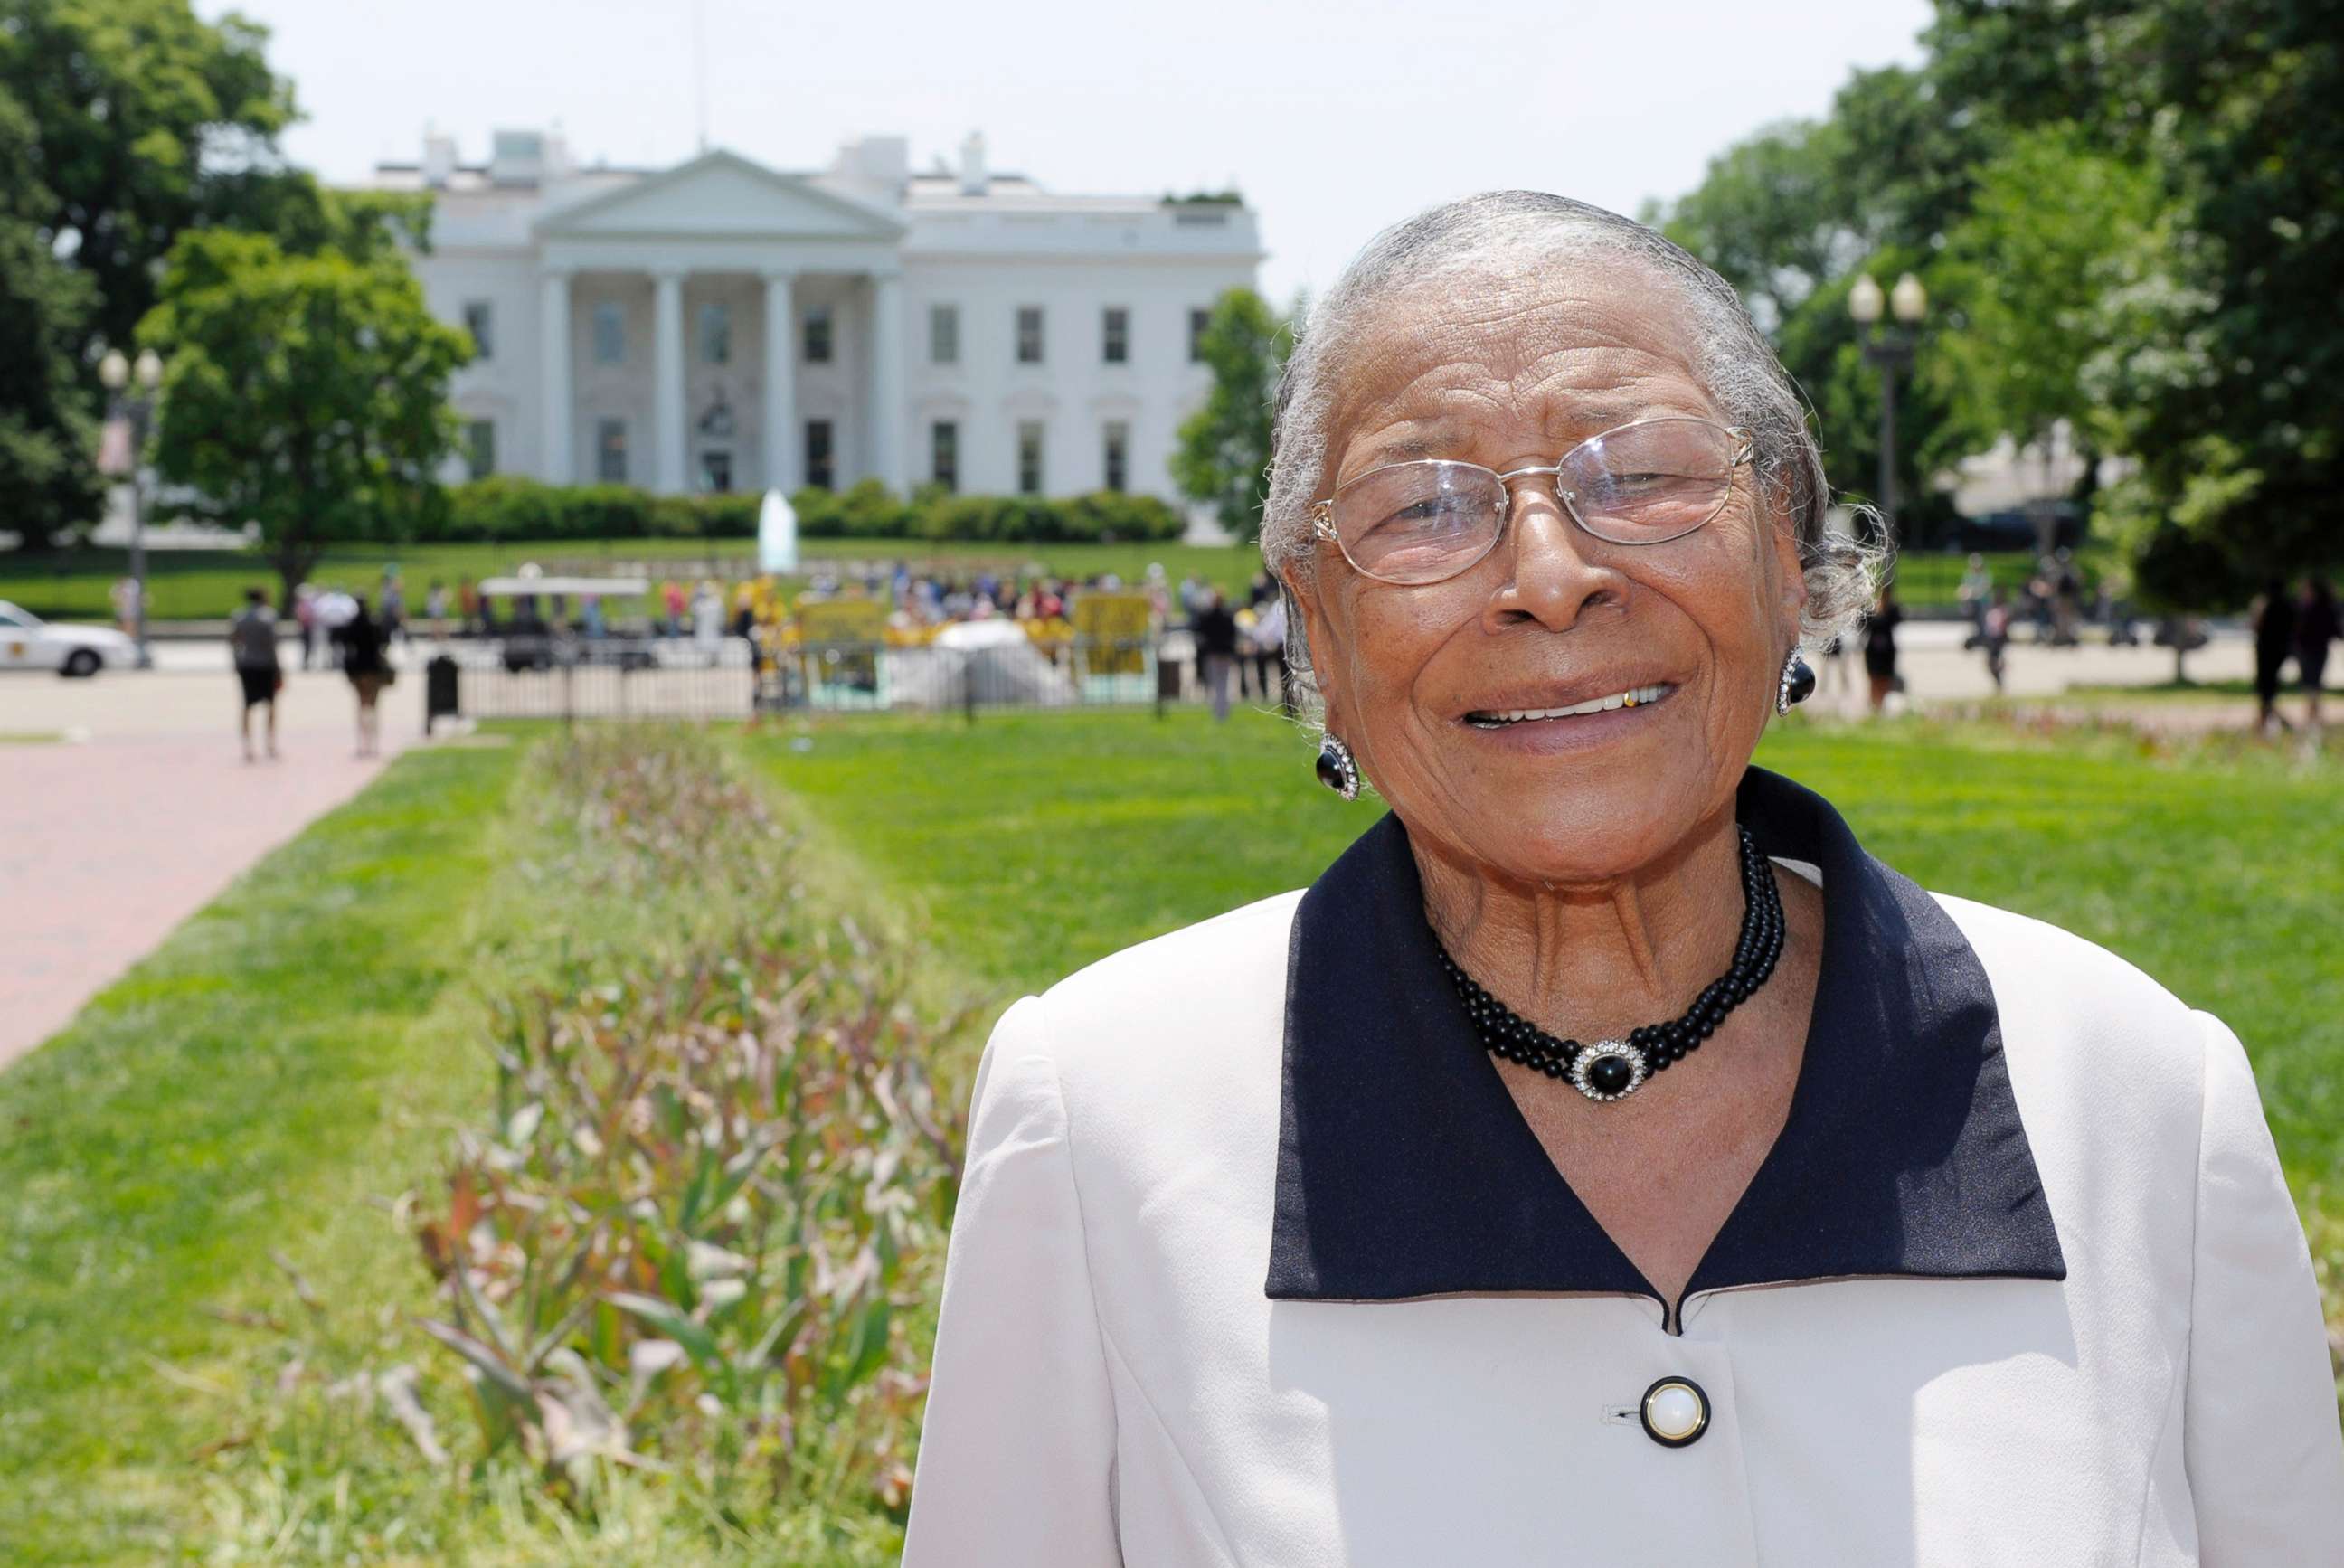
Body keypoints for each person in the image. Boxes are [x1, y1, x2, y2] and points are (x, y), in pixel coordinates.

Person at [902, 192, 2343, 1566]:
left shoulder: (2140, 1091)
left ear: (1788, 550)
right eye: (1422, 506)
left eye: (1641, 475)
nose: (1547, 570)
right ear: (1315, 631)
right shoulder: (1099, 1121)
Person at [228, 587, 281, 761]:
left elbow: (233, 641)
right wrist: (279, 668)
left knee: (247, 706)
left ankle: (247, 746)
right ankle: (270, 743)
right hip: (266, 664)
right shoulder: (269, 617)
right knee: (271, 704)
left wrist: (236, 661)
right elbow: (272, 645)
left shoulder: (239, 617)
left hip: (247, 664)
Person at [337, 595, 391, 758]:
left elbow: (345, 644)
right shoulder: (374, 622)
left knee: (361, 705)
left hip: (359, 668)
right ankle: (373, 743)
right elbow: (384, 642)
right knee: (374, 706)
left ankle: (362, 743)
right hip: (374, 668)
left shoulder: (353, 624)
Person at [2252, 575, 2298, 735]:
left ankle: (2266, 723)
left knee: (2265, 690)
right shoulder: (2289, 606)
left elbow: (2257, 626)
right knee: (2269, 690)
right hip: (2281, 651)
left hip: (2266, 652)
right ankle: (2266, 722)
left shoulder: (2268, 606)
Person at [2291, 577, 2335, 729]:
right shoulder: (2324, 607)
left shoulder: (2308, 609)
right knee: (2313, 684)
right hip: (2314, 649)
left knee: (2311, 684)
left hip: (2311, 650)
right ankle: (2314, 716)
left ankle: (2312, 716)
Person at [1191, 586, 1240, 722]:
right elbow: (1233, 634)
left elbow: (1201, 633)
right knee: (1224, 683)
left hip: (1212, 653)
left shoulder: (1207, 615)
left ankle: (1218, 711)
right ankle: (1223, 710)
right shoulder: (1228, 615)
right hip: (1225, 653)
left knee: (1215, 683)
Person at [1862, 583, 1902, 715]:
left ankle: (1881, 705)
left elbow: (1896, 621)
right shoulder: (1871, 609)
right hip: (1873, 651)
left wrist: (1883, 610)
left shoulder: (1892, 609)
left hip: (1887, 651)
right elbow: (1863, 625)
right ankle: (1873, 706)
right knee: (1873, 679)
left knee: (1885, 679)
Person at [1981, 583, 2013, 693]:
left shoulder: (2004, 609)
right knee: (1991, 663)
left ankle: (1999, 683)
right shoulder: (1992, 608)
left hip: (1998, 639)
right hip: (1991, 638)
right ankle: (1998, 683)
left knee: (1994, 662)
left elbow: (2005, 626)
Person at [1956, 552, 1991, 647]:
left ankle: (1982, 638)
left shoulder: (1985, 575)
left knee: (1981, 620)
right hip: (1972, 602)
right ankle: (1977, 637)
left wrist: (1972, 593)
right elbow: (1964, 587)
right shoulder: (1968, 575)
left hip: (1982, 602)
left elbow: (1983, 590)